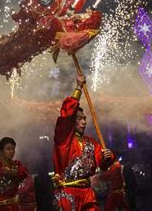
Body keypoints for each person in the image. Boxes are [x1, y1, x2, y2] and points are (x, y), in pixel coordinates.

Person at [52, 75, 115, 210]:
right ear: (71, 122)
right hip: (68, 194)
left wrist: (107, 157)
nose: (84, 121)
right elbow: (66, 116)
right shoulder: (63, 140)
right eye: (79, 119)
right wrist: (78, 88)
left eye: (85, 118)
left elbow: (103, 164)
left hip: (87, 193)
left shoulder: (91, 143)